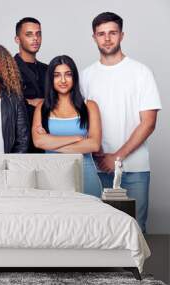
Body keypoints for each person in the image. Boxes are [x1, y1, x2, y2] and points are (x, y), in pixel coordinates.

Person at [81, 12, 161, 232]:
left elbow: (149, 122)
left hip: (134, 168)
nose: (107, 39)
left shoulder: (141, 72)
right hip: (96, 169)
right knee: (97, 231)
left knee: (135, 231)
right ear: (94, 37)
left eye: (112, 33)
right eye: (101, 34)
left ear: (122, 35)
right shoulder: (85, 76)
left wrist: (116, 157)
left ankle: (138, 270)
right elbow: (80, 121)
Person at [32, 55, 102, 197]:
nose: (63, 80)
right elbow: (39, 142)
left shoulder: (90, 106)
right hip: (52, 176)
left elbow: (94, 145)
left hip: (85, 174)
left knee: (89, 218)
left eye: (68, 74)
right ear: (51, 79)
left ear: (74, 77)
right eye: (57, 75)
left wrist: (51, 142)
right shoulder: (42, 107)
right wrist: (76, 138)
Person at [14, 17, 48, 153]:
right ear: (17, 39)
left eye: (38, 34)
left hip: (47, 140)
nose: (35, 38)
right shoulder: (7, 69)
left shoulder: (48, 70)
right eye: (29, 34)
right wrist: (30, 101)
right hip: (20, 141)